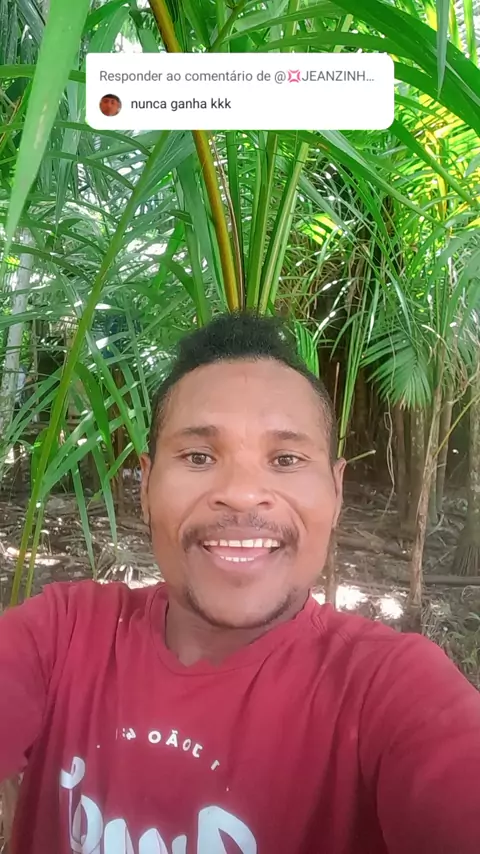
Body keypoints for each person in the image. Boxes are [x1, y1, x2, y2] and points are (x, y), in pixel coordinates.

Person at [0, 311, 479, 854]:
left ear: (336, 491)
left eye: (286, 459)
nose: (243, 493)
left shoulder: (390, 691)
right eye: (199, 456)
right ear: (147, 485)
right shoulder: (63, 636)